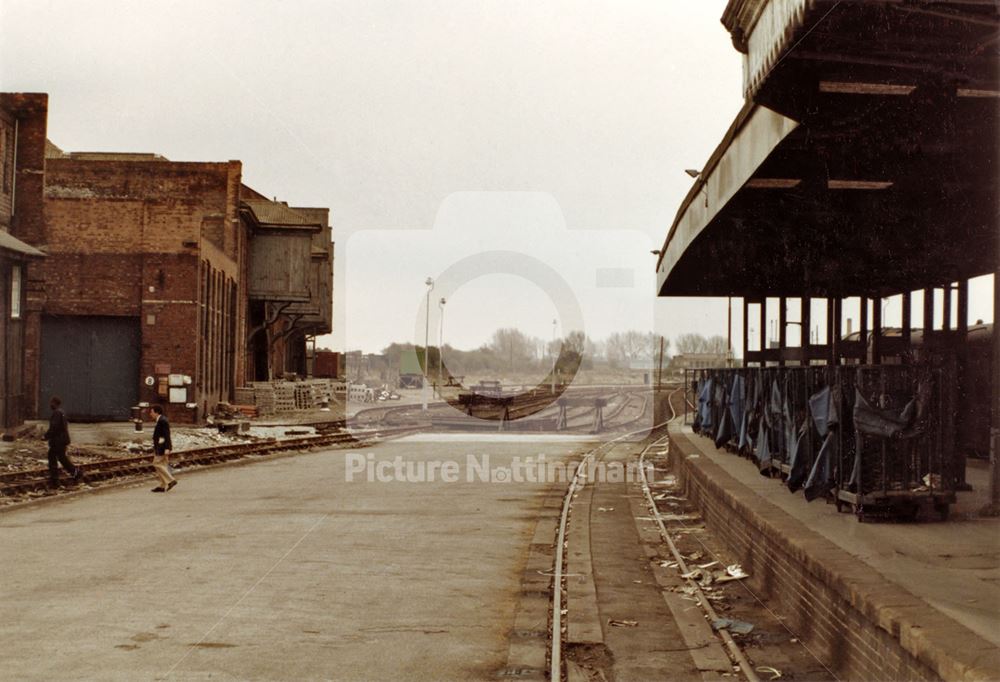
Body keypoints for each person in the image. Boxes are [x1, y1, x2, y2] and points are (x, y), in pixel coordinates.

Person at [44, 396, 83, 487]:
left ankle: (55, 481)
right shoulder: (61, 412)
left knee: (52, 458)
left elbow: (54, 428)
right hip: (62, 440)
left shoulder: (57, 413)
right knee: (62, 458)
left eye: (51, 403)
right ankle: (76, 473)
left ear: (54, 403)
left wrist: (45, 436)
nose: (50, 405)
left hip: (58, 441)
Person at [150, 404, 177, 493]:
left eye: (152, 412)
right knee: (163, 465)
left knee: (156, 463)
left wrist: (167, 448)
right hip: (161, 446)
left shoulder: (162, 421)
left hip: (162, 447)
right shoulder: (161, 420)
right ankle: (162, 486)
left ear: (157, 412)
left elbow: (166, 435)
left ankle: (171, 480)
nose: (151, 414)